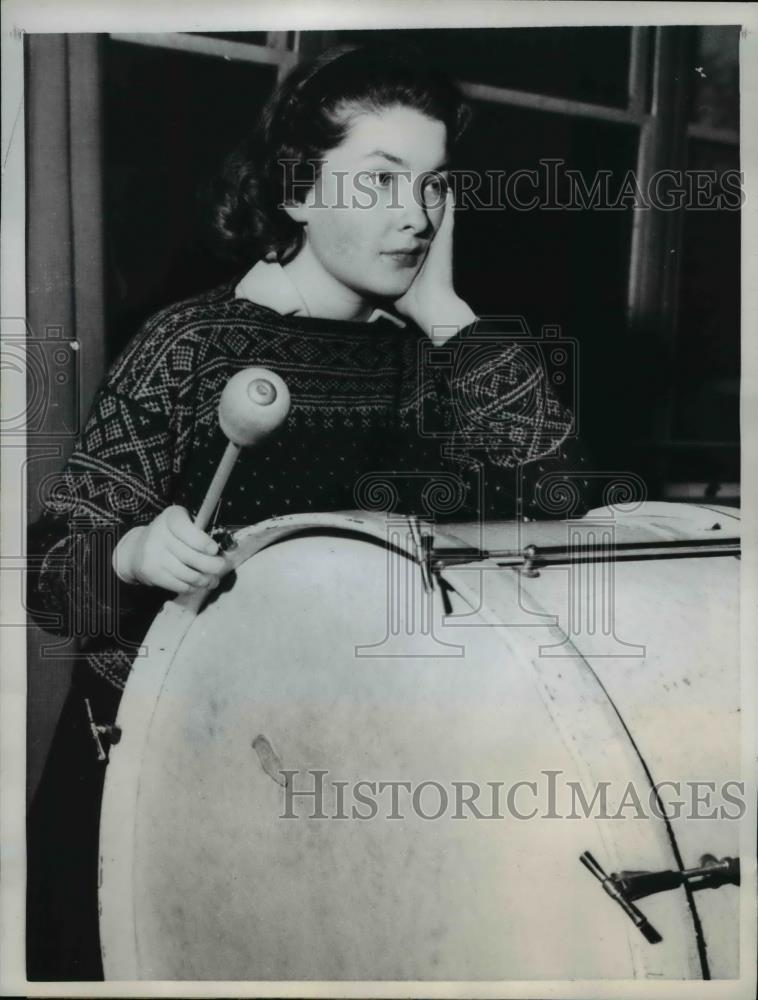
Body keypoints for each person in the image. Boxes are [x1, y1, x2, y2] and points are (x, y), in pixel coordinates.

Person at [26, 41, 595, 981]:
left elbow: (560, 495)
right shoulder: (193, 343)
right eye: (378, 181)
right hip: (152, 772)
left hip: (334, 775)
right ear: (296, 192)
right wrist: (131, 555)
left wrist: (446, 308)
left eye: (432, 185)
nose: (414, 216)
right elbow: (55, 587)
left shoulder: (428, 358)